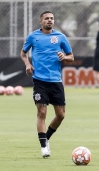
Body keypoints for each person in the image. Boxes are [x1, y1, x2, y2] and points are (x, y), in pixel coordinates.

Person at [20, 11, 74, 158]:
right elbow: (23, 53)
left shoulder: (60, 37)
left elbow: (71, 57)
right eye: (46, 18)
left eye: (51, 18)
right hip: (39, 81)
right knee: (41, 112)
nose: (49, 20)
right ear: (41, 21)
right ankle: (44, 146)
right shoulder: (33, 37)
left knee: (61, 115)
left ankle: (46, 137)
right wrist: (27, 64)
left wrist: (64, 57)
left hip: (56, 81)